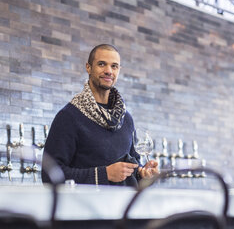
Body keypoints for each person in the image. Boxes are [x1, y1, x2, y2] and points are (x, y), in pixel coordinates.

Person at [42, 44, 158, 186]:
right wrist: (105, 174)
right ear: (88, 67)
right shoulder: (69, 116)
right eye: (102, 64)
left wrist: (142, 172)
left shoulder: (126, 119)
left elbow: (132, 166)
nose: (108, 71)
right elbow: (49, 175)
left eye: (114, 66)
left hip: (122, 206)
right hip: (84, 206)